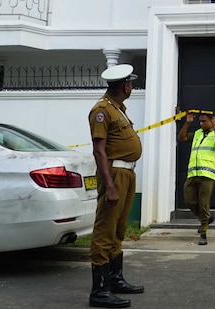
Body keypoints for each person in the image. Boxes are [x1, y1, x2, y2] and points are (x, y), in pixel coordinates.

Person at [87, 64, 144, 309]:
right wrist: (109, 184)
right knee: (105, 229)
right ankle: (99, 292)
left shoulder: (118, 109)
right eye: (130, 83)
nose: (131, 86)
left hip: (127, 174)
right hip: (115, 174)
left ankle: (115, 279)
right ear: (125, 86)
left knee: (118, 227)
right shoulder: (102, 110)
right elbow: (99, 150)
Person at [178, 111, 215, 246]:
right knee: (189, 201)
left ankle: (203, 232)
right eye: (199, 121)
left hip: (207, 174)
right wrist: (187, 123)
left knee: (203, 203)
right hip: (193, 173)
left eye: (203, 121)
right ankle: (207, 218)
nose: (200, 124)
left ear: (212, 121)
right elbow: (182, 137)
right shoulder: (197, 133)